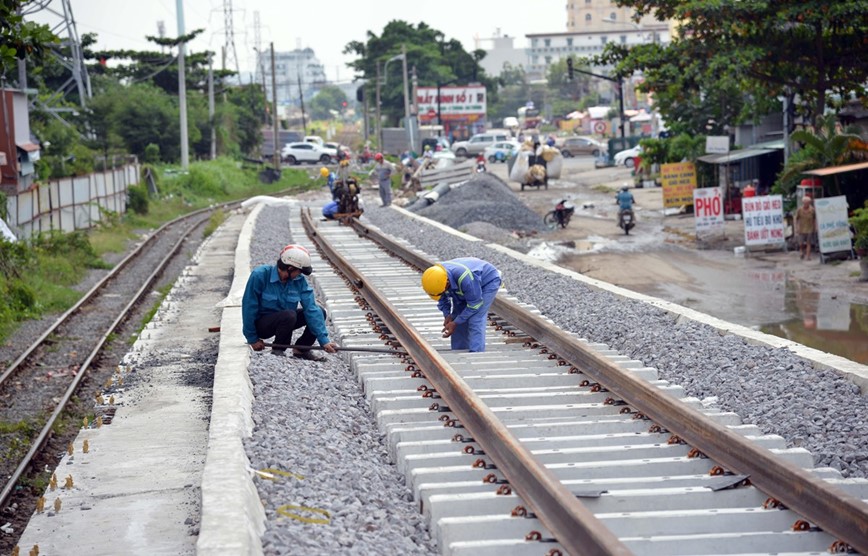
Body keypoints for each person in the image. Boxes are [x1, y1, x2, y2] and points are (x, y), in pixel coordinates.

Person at [242, 244, 338, 360]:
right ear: (290, 268)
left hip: (286, 319)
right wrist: (252, 338)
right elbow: (249, 307)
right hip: (263, 325)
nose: (299, 275)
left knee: (320, 311)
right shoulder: (260, 275)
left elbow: (311, 308)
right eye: (299, 271)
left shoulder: (299, 281)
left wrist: (324, 341)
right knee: (289, 315)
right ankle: (278, 349)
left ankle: (301, 349)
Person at [420, 257, 502, 353]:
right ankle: (459, 351)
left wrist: (455, 323)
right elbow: (442, 298)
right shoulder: (438, 278)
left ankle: (477, 353)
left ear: (447, 283)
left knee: (476, 318)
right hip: (465, 285)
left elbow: (474, 304)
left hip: (487, 282)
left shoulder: (464, 277)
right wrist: (447, 315)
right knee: (457, 317)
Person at [794, 195, 817, 260]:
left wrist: (815, 227)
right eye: (805, 203)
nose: (806, 204)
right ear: (803, 203)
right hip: (801, 228)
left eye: (808, 203)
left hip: (810, 228)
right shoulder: (800, 210)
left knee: (808, 243)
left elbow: (814, 219)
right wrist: (796, 227)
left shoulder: (812, 210)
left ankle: (808, 256)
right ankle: (801, 251)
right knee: (801, 243)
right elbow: (796, 219)